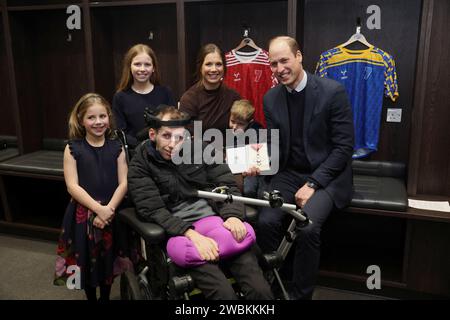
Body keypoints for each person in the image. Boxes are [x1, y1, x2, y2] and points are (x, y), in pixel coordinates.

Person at [127, 105, 273, 300]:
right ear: (153, 134)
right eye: (166, 136)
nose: (173, 144)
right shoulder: (141, 163)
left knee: (261, 291)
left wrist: (233, 215)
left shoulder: (202, 150)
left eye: (179, 138)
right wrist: (191, 234)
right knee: (225, 295)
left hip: (217, 220)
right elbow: (152, 209)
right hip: (181, 232)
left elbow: (226, 185)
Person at [255, 36, 354, 299]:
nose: (279, 69)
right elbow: (275, 145)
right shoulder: (271, 98)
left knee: (307, 226)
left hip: (327, 175)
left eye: (284, 60)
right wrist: (258, 159)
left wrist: (313, 183)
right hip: (289, 173)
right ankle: (273, 287)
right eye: (273, 64)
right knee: (265, 221)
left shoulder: (332, 92)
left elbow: (344, 148)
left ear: (299, 56)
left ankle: (301, 295)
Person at [54, 93, 132, 301]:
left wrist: (109, 209)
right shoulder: (73, 148)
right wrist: (99, 209)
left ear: (109, 117)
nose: (98, 122)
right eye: (91, 117)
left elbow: (124, 182)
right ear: (81, 120)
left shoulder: (117, 147)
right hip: (84, 215)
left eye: (102, 116)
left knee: (108, 259)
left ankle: (106, 296)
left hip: (111, 213)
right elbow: (72, 186)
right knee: (87, 261)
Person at [113, 44, 175, 148]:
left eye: (147, 64)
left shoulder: (165, 93)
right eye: (137, 64)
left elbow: (173, 125)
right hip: (134, 153)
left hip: (163, 151)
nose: (142, 69)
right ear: (129, 67)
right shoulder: (120, 97)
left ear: (153, 68)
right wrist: (142, 147)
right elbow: (120, 133)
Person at [179, 43, 241, 135]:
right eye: (208, 64)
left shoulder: (234, 97)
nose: (214, 69)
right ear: (200, 67)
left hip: (227, 148)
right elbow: (186, 139)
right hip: (199, 149)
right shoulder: (189, 99)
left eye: (218, 64)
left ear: (224, 67)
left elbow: (241, 131)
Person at [227, 99, 263, 198]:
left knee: (248, 189)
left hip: (255, 172)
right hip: (240, 169)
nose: (234, 127)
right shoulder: (234, 132)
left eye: (240, 124)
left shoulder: (257, 132)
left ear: (250, 123)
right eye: (232, 121)